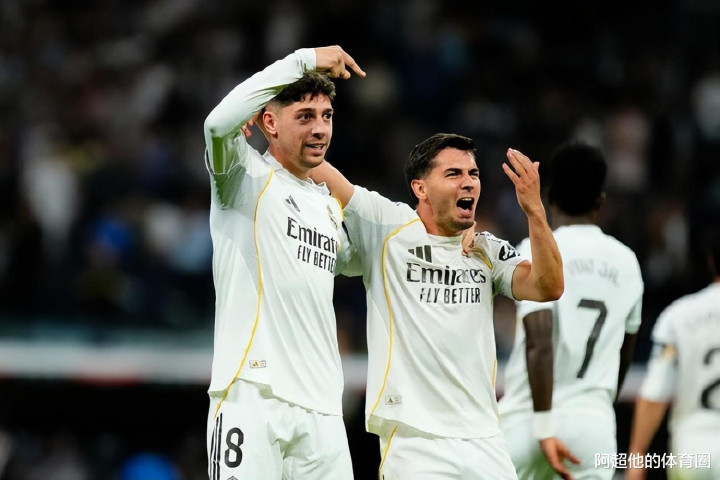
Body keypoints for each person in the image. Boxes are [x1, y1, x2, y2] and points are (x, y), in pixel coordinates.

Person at [309, 133, 564, 479]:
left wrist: (534, 209)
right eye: (453, 174)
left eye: (473, 174)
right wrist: (268, 118)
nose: (468, 182)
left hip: (486, 438)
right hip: (415, 441)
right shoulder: (387, 227)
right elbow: (318, 168)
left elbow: (549, 286)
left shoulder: (486, 250)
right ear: (420, 188)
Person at [202, 45, 365, 480]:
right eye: (305, 116)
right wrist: (303, 60)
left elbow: (367, 260)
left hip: (322, 409)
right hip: (253, 394)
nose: (320, 129)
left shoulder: (327, 206)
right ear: (269, 123)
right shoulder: (242, 177)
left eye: (327, 116)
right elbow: (217, 124)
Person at [497, 142, 644, 480]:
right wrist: (598, 404)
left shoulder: (534, 248)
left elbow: (539, 341)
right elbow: (625, 354)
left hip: (528, 421)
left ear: (549, 197)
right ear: (600, 201)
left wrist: (544, 426)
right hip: (593, 425)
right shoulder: (627, 261)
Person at [626, 230, 720, 480]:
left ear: (711, 260)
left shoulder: (678, 315)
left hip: (694, 448)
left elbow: (655, 392)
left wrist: (637, 454)